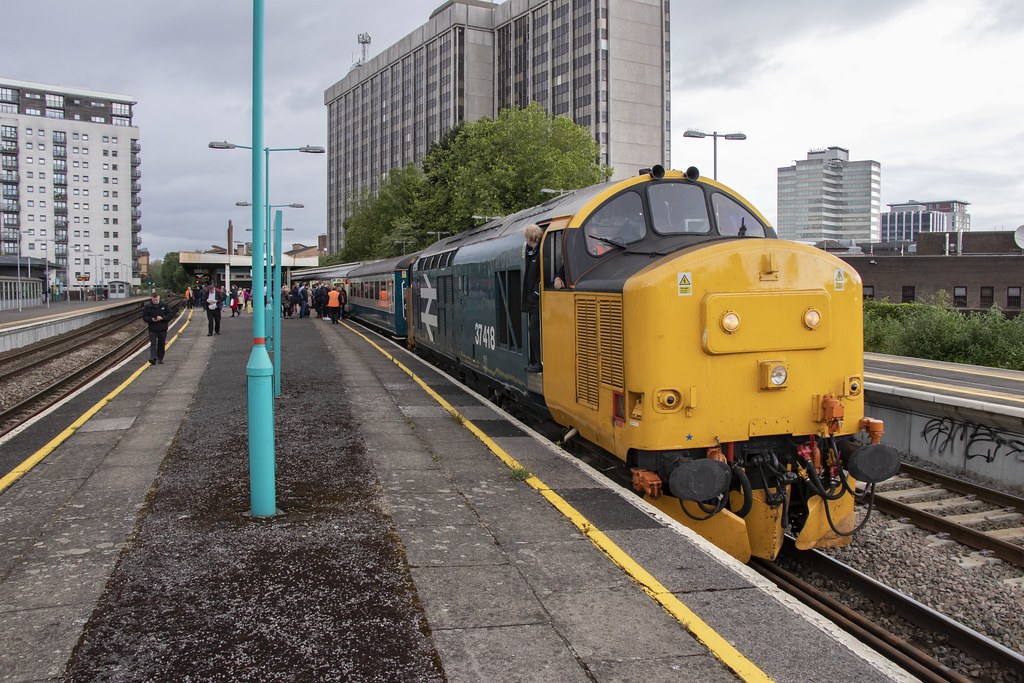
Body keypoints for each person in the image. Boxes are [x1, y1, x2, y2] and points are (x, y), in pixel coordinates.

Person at [522, 223, 543, 372]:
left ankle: (538, 362)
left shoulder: (540, 252)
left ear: (531, 236)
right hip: (532, 300)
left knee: (533, 328)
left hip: (537, 299)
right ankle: (534, 360)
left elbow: (542, 273)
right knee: (533, 328)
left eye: (527, 237)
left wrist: (536, 293)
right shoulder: (532, 253)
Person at [142, 292, 172, 365]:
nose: (155, 301)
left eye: (156, 300)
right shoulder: (148, 306)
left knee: (161, 344)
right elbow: (144, 317)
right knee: (153, 344)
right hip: (153, 328)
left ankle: (160, 358)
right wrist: (152, 319)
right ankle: (153, 358)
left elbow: (169, 315)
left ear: (159, 298)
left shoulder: (164, 305)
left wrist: (163, 318)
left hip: (162, 328)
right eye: (153, 300)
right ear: (151, 299)